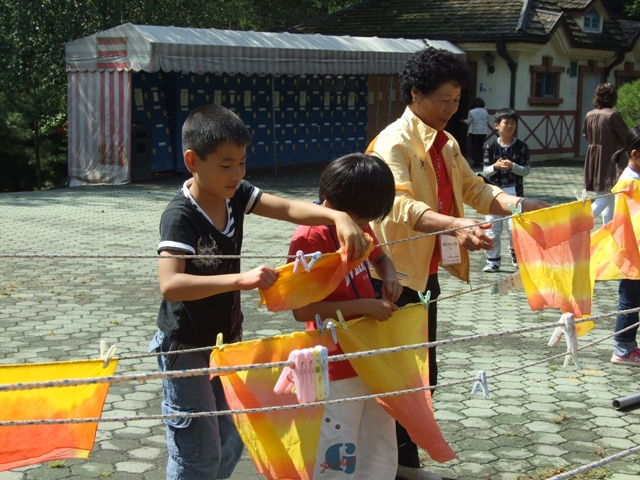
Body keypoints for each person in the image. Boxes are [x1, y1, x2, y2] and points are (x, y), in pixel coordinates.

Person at [149, 104, 368, 480]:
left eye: (243, 162)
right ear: (192, 161)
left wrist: (337, 216)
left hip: (226, 342)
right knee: (197, 453)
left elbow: (284, 207)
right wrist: (241, 279)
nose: (237, 173)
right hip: (186, 348)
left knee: (232, 441)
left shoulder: (235, 193)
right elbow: (171, 285)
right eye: (226, 164)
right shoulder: (180, 216)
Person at [366, 47, 549, 480]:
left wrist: (520, 204)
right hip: (392, 276)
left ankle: (402, 463)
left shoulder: (445, 143)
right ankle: (388, 464)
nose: (451, 109)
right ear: (415, 93)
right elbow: (400, 205)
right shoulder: (394, 141)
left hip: (426, 272)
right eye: (443, 100)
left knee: (422, 372)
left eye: (456, 100)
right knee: (397, 373)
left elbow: (478, 189)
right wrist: (454, 225)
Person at [288, 153, 404, 480]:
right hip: (335, 365)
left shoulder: (358, 225)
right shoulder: (310, 238)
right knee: (337, 451)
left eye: (369, 221)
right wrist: (366, 307)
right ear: (332, 203)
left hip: (371, 355)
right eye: (362, 219)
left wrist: (390, 275)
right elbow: (302, 310)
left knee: (377, 445)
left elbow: (381, 258)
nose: (366, 227)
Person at [482, 108, 531, 272]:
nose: (509, 126)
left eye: (512, 123)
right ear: (497, 125)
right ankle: (493, 261)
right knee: (492, 228)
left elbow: (526, 170)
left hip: (514, 193)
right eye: (506, 123)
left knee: (514, 229)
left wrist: (513, 166)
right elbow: (484, 171)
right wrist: (495, 166)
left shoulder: (522, 147)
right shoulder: (490, 146)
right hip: (493, 192)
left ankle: (517, 257)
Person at [610, 126, 640, 366]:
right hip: (632, 252)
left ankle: (630, 346)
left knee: (634, 301)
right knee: (629, 302)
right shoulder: (629, 182)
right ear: (635, 154)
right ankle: (622, 349)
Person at [583, 83, 629, 226]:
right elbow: (626, 136)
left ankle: (607, 231)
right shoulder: (613, 115)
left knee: (607, 196)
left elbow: (586, 135)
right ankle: (581, 223)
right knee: (606, 196)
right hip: (611, 158)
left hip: (594, 158)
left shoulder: (589, 114)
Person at [461, 97, 493, 167]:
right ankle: (481, 160)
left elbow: (469, 121)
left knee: (475, 147)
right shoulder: (485, 111)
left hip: (475, 131)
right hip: (483, 131)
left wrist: (463, 121)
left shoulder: (472, 111)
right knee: (480, 146)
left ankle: (476, 162)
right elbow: (488, 121)